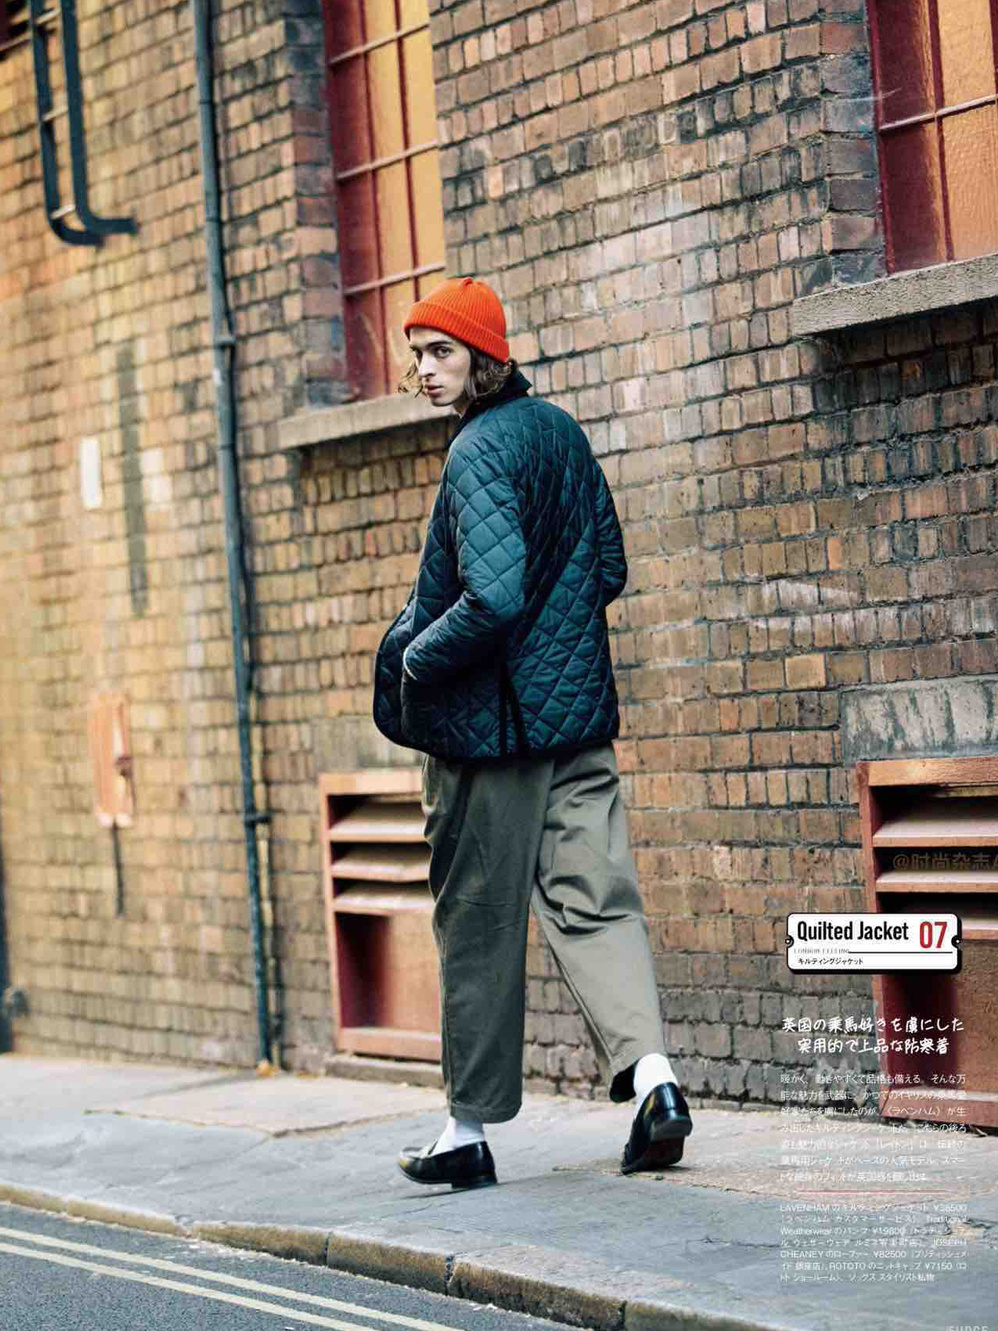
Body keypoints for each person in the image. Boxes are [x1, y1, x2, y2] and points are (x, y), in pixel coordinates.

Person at [373, 276, 693, 1190]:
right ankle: (657, 1083)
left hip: (493, 738)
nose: (426, 369)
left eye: (443, 352)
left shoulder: (477, 450)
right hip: (577, 725)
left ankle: (465, 1131)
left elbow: (495, 598)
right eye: (418, 353)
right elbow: (609, 567)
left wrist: (415, 658)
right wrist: (559, 649)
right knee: (599, 902)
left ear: (485, 357)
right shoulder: (560, 431)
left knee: (477, 922)